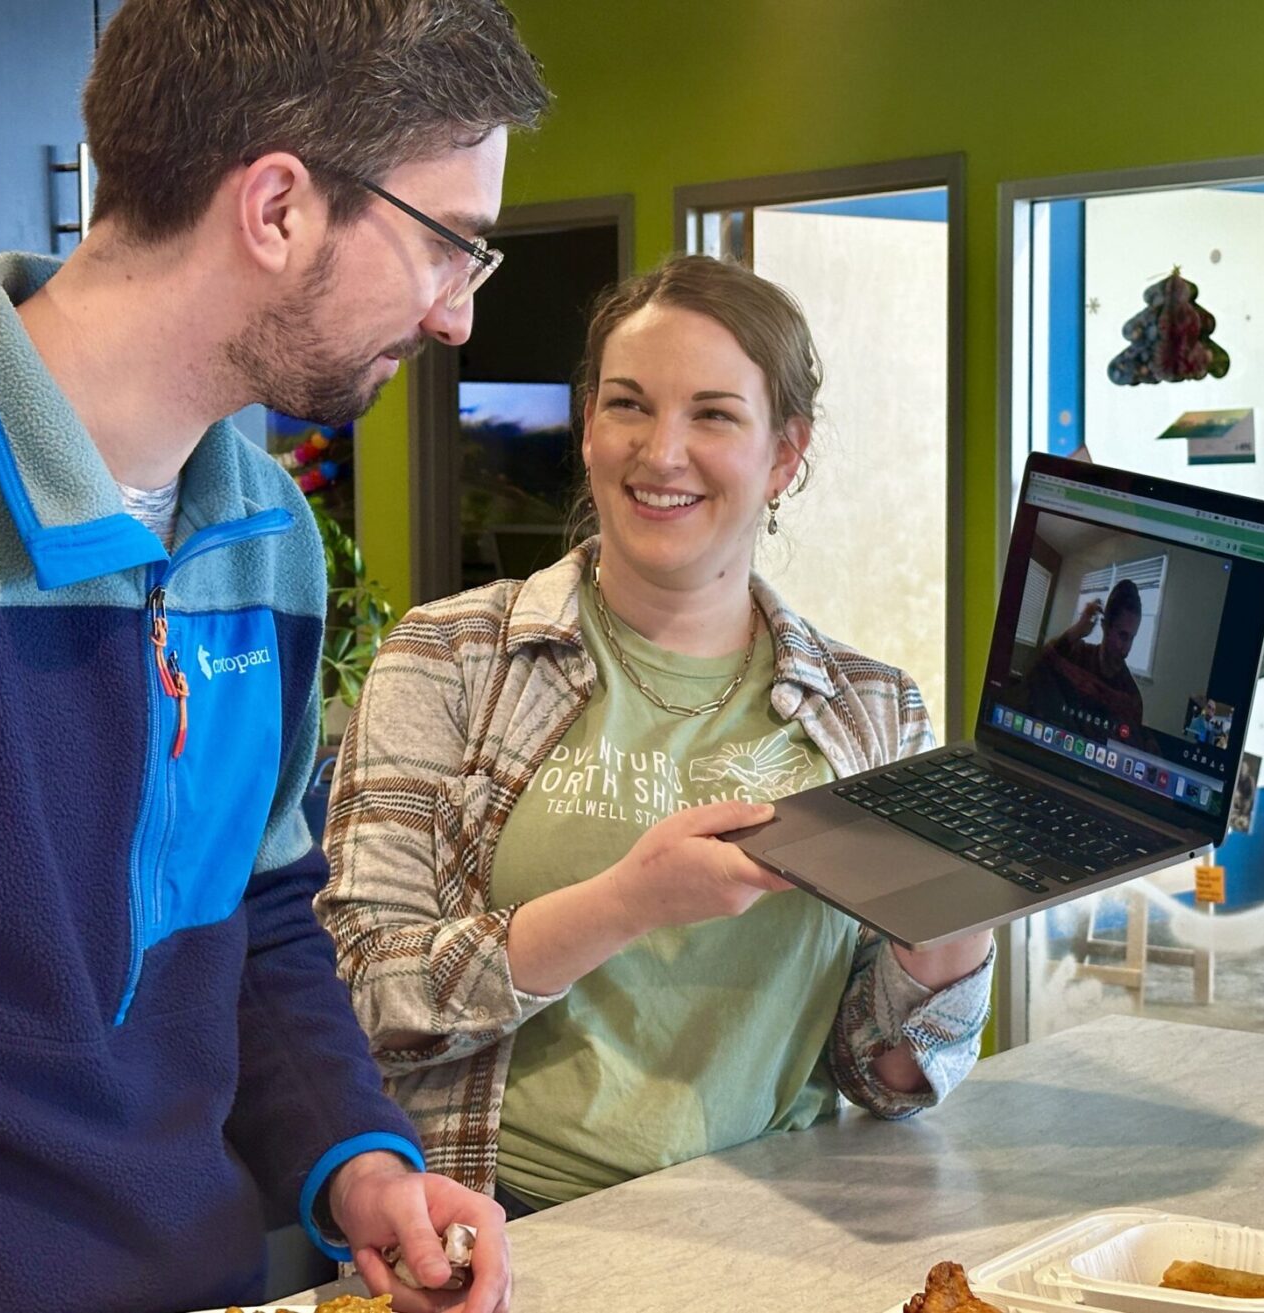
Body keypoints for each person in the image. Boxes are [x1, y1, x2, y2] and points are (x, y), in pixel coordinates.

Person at [0, 4, 547, 1311]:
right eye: (449, 245)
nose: (456, 319)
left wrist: (361, 1169)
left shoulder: (265, 540)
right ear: (276, 207)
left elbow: (258, 916)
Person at [317, 255, 995, 1216]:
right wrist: (626, 903)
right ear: (589, 422)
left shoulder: (874, 712)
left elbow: (880, 1077)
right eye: (629, 405)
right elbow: (369, 998)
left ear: (784, 455)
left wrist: (963, 914)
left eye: (713, 415)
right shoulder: (450, 658)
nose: (661, 451)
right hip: (505, 1226)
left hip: (771, 1230)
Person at [1027, 579, 1148, 735]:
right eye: (1123, 636)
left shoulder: (1130, 697)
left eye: (1132, 638)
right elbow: (1034, 668)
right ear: (1105, 626)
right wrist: (1077, 631)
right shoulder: (1075, 655)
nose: (1127, 649)